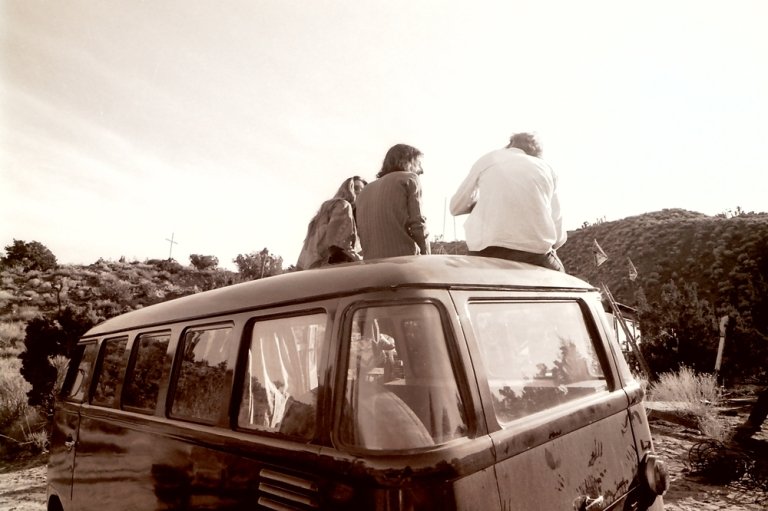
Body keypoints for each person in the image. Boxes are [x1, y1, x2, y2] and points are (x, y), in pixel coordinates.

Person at [450, 132, 566, 272]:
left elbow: (455, 207)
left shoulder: (488, 159)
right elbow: (558, 231)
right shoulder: (546, 168)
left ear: (509, 144)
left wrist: (481, 204)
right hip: (533, 254)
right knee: (564, 282)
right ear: (536, 154)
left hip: (485, 252)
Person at [355, 144, 431, 259]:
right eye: (419, 164)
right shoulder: (410, 178)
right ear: (408, 161)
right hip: (404, 261)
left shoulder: (365, 190)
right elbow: (418, 225)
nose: (422, 170)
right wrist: (427, 258)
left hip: (371, 264)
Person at [296, 176, 367, 270]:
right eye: (356, 188)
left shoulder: (323, 213)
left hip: (309, 273)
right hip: (328, 272)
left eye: (364, 190)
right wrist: (363, 263)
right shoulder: (343, 205)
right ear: (347, 189)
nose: (360, 193)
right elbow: (338, 247)